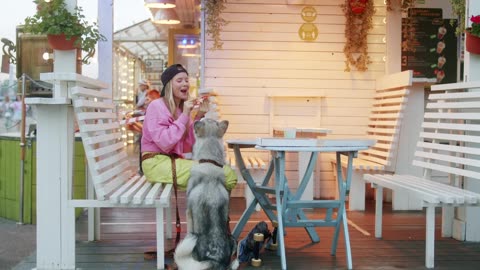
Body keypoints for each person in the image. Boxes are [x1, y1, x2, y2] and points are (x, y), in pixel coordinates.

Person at [140, 64, 237, 191]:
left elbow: (187, 145)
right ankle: (207, 209)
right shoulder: (156, 106)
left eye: (186, 80)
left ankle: (203, 208)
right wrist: (186, 114)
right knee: (226, 175)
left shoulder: (180, 110)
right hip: (155, 164)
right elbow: (165, 142)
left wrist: (198, 116)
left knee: (223, 175)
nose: (185, 83)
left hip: (170, 163)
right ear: (169, 85)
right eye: (179, 80)